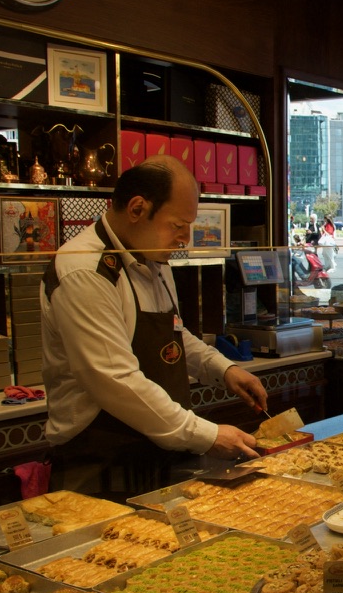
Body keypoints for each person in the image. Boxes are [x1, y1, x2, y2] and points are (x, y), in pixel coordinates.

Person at [40, 156, 268, 494]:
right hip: (102, 461)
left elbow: (174, 335)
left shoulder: (150, 257)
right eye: (178, 225)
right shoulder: (86, 272)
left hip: (160, 449)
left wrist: (223, 369)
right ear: (136, 209)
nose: (184, 238)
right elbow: (114, 379)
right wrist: (206, 435)